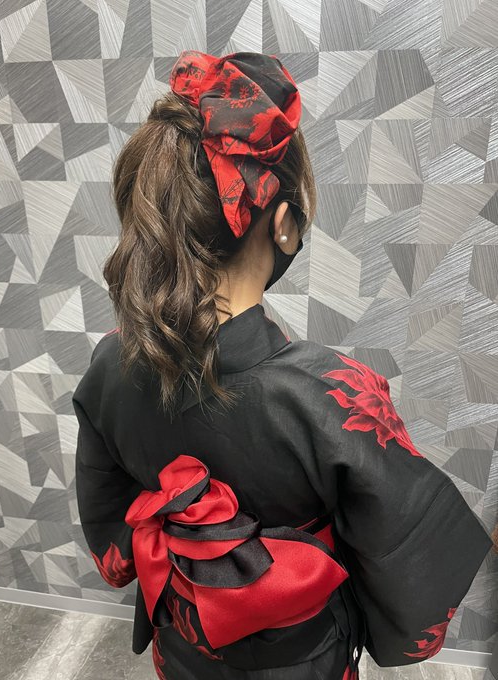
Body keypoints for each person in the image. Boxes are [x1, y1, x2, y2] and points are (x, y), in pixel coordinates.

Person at [72, 50, 495, 680]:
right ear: (285, 226)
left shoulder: (111, 362)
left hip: (184, 643)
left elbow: (111, 532)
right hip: (300, 659)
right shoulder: (332, 395)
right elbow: (412, 574)